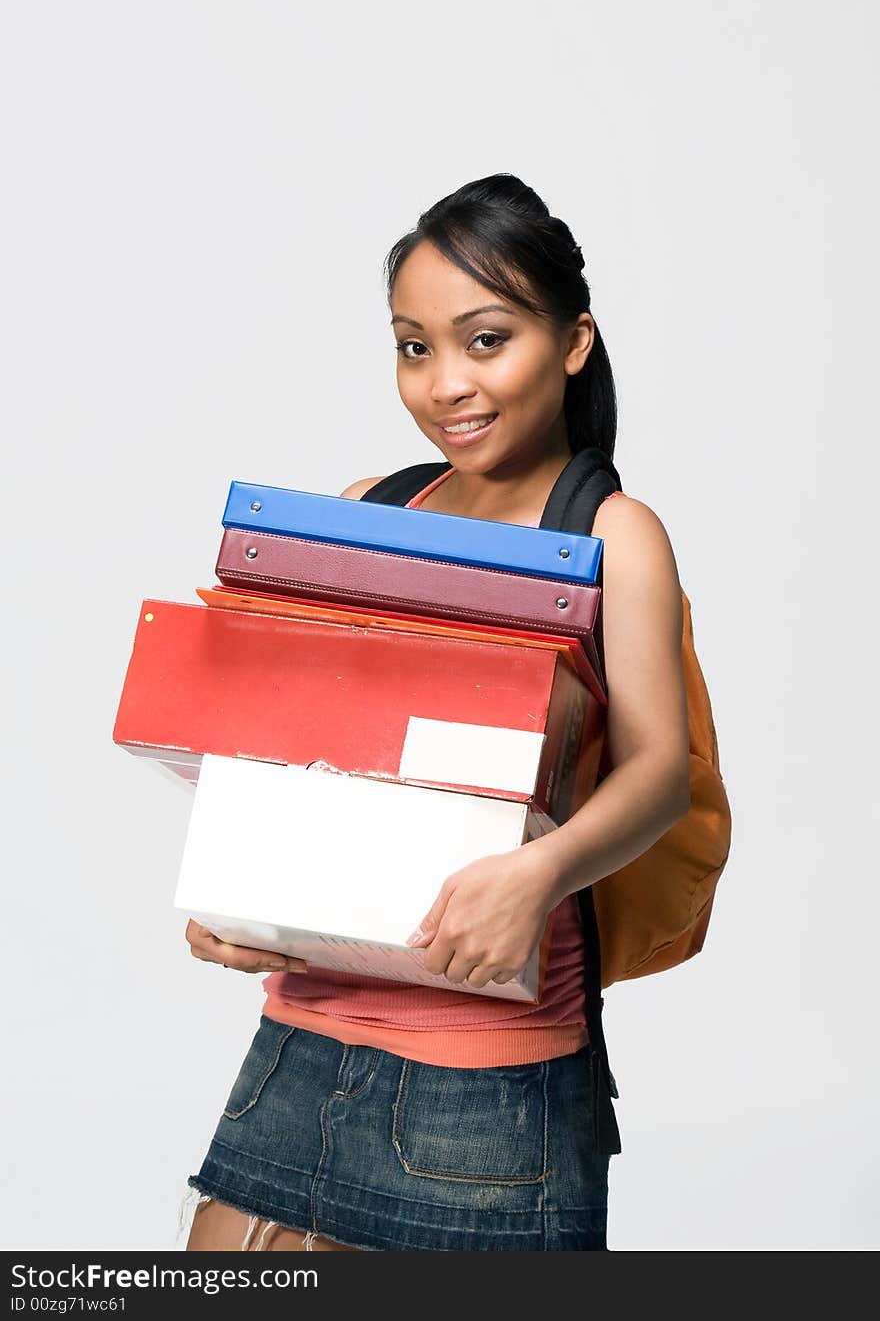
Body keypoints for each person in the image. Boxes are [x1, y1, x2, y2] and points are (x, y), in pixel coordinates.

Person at [178, 172, 690, 1252]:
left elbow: (658, 773)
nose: (445, 382)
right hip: (302, 1026)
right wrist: (246, 888)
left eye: (485, 338)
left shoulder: (612, 533)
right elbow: (306, 744)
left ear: (573, 341)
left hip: (487, 1080)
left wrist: (540, 872)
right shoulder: (374, 506)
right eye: (415, 346)